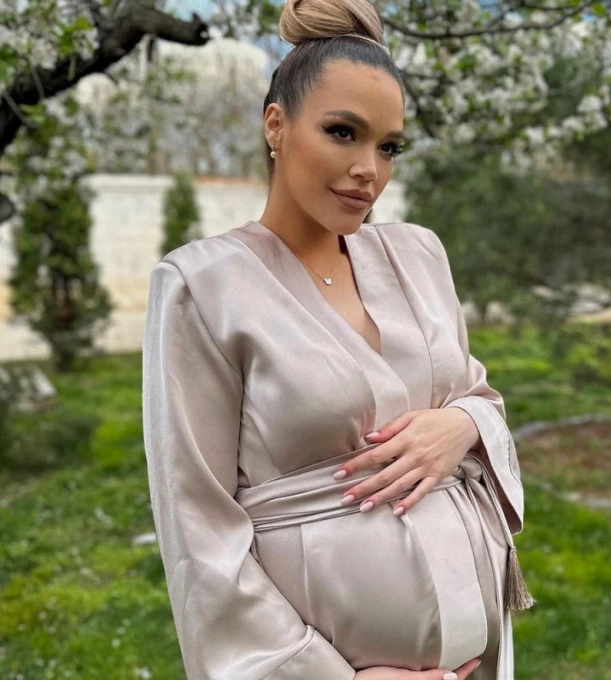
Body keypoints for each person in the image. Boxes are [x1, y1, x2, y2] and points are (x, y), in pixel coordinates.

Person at [141, 0, 535, 678]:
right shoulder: (202, 286)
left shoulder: (419, 254)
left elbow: (478, 395)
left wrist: (463, 425)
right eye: (343, 132)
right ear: (276, 125)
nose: (368, 169)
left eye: (388, 147)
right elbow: (197, 528)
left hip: (480, 657)